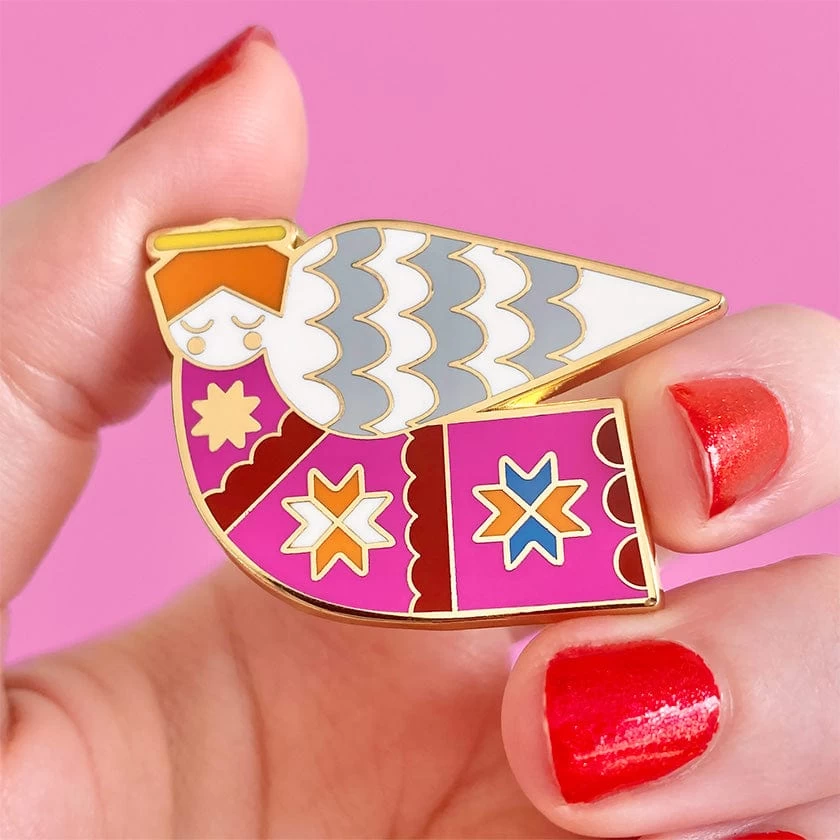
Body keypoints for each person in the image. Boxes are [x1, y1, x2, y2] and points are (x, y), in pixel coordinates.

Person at [2, 27, 838, 839]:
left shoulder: (328, 326)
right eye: (204, 322)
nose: (216, 338)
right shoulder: (273, 384)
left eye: (228, 315)